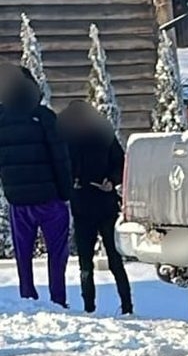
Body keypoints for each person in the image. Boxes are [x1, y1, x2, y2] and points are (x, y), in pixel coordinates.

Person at [0, 64, 72, 307]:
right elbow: (60, 158)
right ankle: (58, 298)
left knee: (23, 253)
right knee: (57, 253)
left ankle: (27, 296)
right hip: (50, 198)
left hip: (18, 201)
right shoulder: (44, 116)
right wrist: (65, 193)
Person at [56, 100, 133, 315]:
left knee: (115, 261)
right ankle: (89, 307)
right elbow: (62, 167)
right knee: (85, 264)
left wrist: (111, 180)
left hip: (106, 205)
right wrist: (70, 182)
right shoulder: (66, 140)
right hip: (81, 207)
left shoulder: (103, 137)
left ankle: (127, 306)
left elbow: (121, 163)